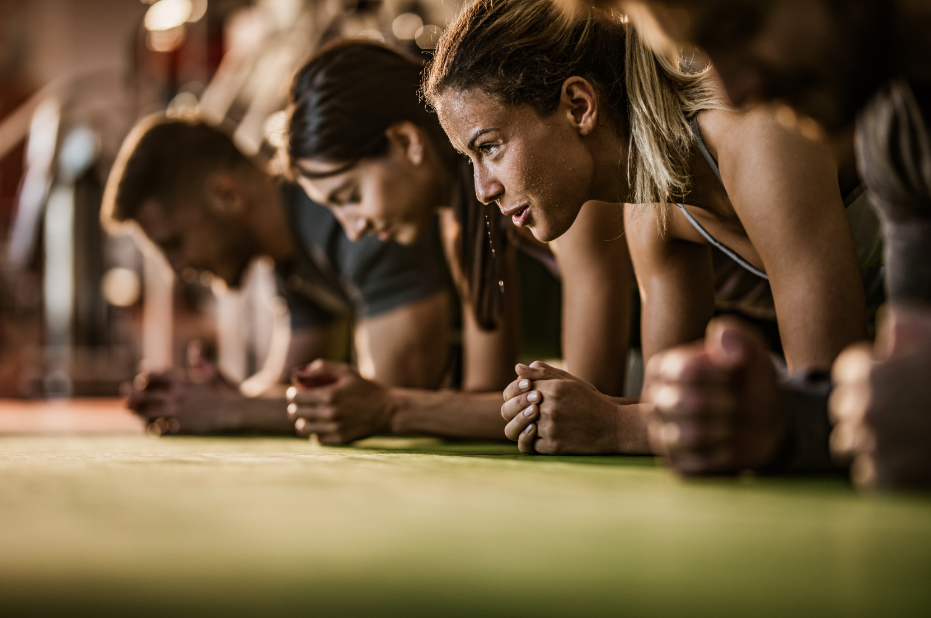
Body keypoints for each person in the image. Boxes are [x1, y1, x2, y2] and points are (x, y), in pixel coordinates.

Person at [424, 0, 882, 457]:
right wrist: (573, 408)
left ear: (578, 106)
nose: (482, 189)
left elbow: (829, 409)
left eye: (490, 147)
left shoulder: (755, 134)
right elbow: (667, 407)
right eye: (470, 159)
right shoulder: (649, 213)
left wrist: (614, 425)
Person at [617, 0, 931, 486]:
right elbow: (911, 385)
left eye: (739, 25)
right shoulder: (896, 134)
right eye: (701, 53)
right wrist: (777, 421)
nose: (734, 96)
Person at [284, 40, 635, 447]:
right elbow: (486, 389)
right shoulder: (465, 223)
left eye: (350, 197)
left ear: (406, 143)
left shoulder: (561, 188)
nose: (353, 230)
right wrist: (379, 403)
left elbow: (584, 404)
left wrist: (391, 407)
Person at [101, 114, 453, 434]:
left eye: (174, 243)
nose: (176, 269)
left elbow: (388, 395)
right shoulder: (291, 252)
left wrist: (230, 409)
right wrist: (196, 399)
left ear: (226, 195)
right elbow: (288, 384)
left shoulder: (345, 217)